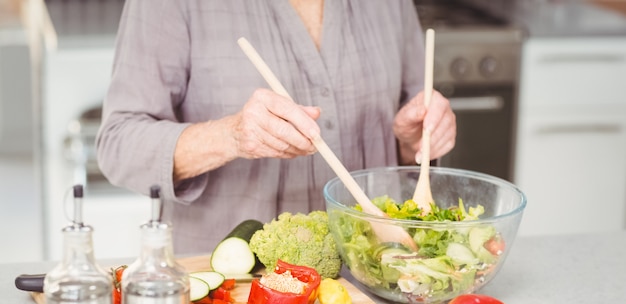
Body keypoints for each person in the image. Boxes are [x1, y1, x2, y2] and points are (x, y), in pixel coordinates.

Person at [96, 0, 456, 256]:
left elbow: (412, 120)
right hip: (235, 292)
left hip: (374, 270)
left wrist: (414, 142)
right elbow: (118, 145)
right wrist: (232, 136)